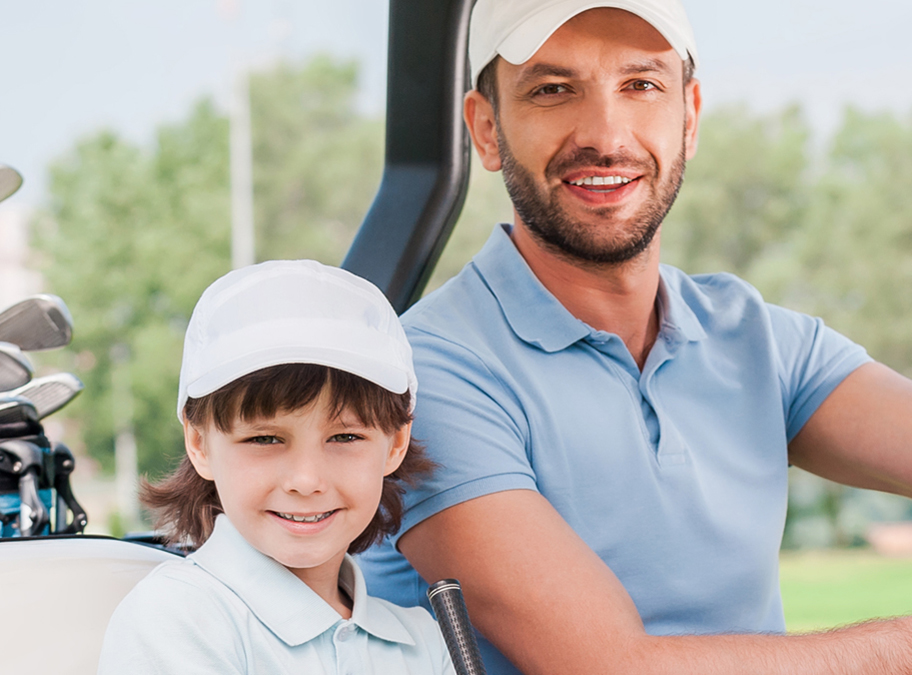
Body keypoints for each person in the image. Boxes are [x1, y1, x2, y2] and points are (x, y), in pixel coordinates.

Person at [359, 0, 912, 673]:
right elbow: (612, 665)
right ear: (486, 128)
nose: (606, 134)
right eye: (553, 89)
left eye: (642, 85)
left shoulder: (755, 336)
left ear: (689, 116)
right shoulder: (426, 373)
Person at [97, 260, 455, 674]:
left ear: (395, 443)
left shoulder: (422, 641)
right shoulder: (178, 618)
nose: (306, 480)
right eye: (264, 439)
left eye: (344, 438)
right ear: (199, 444)